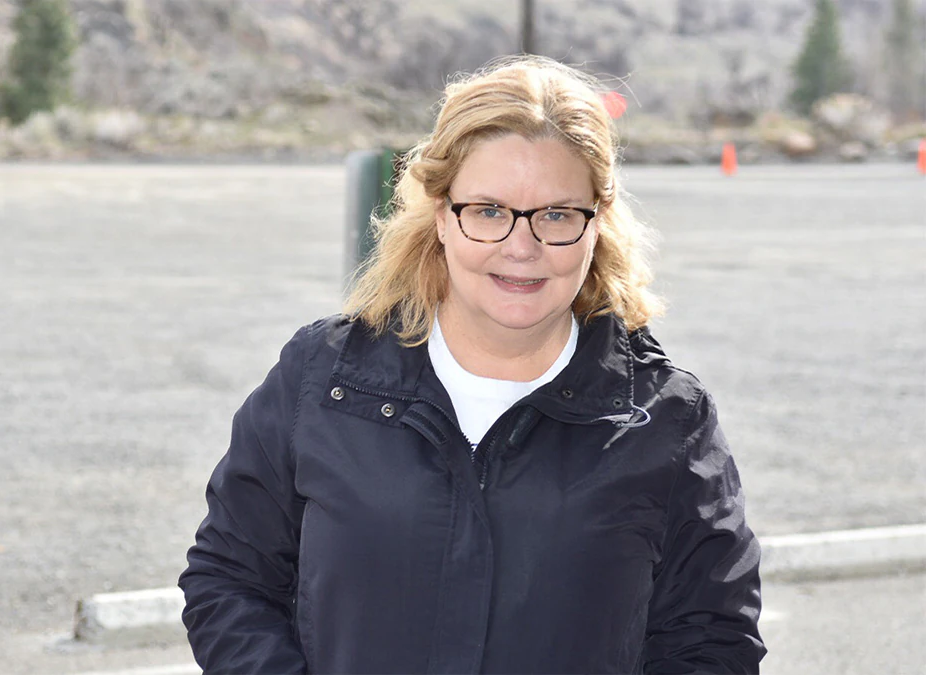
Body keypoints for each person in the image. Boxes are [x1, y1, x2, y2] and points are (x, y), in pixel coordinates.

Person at [178, 55, 764, 674]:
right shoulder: (319, 379)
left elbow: (711, 643)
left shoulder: (666, 421)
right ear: (439, 215)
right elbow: (230, 582)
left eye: (557, 215)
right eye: (488, 211)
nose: (521, 247)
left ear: (597, 224)